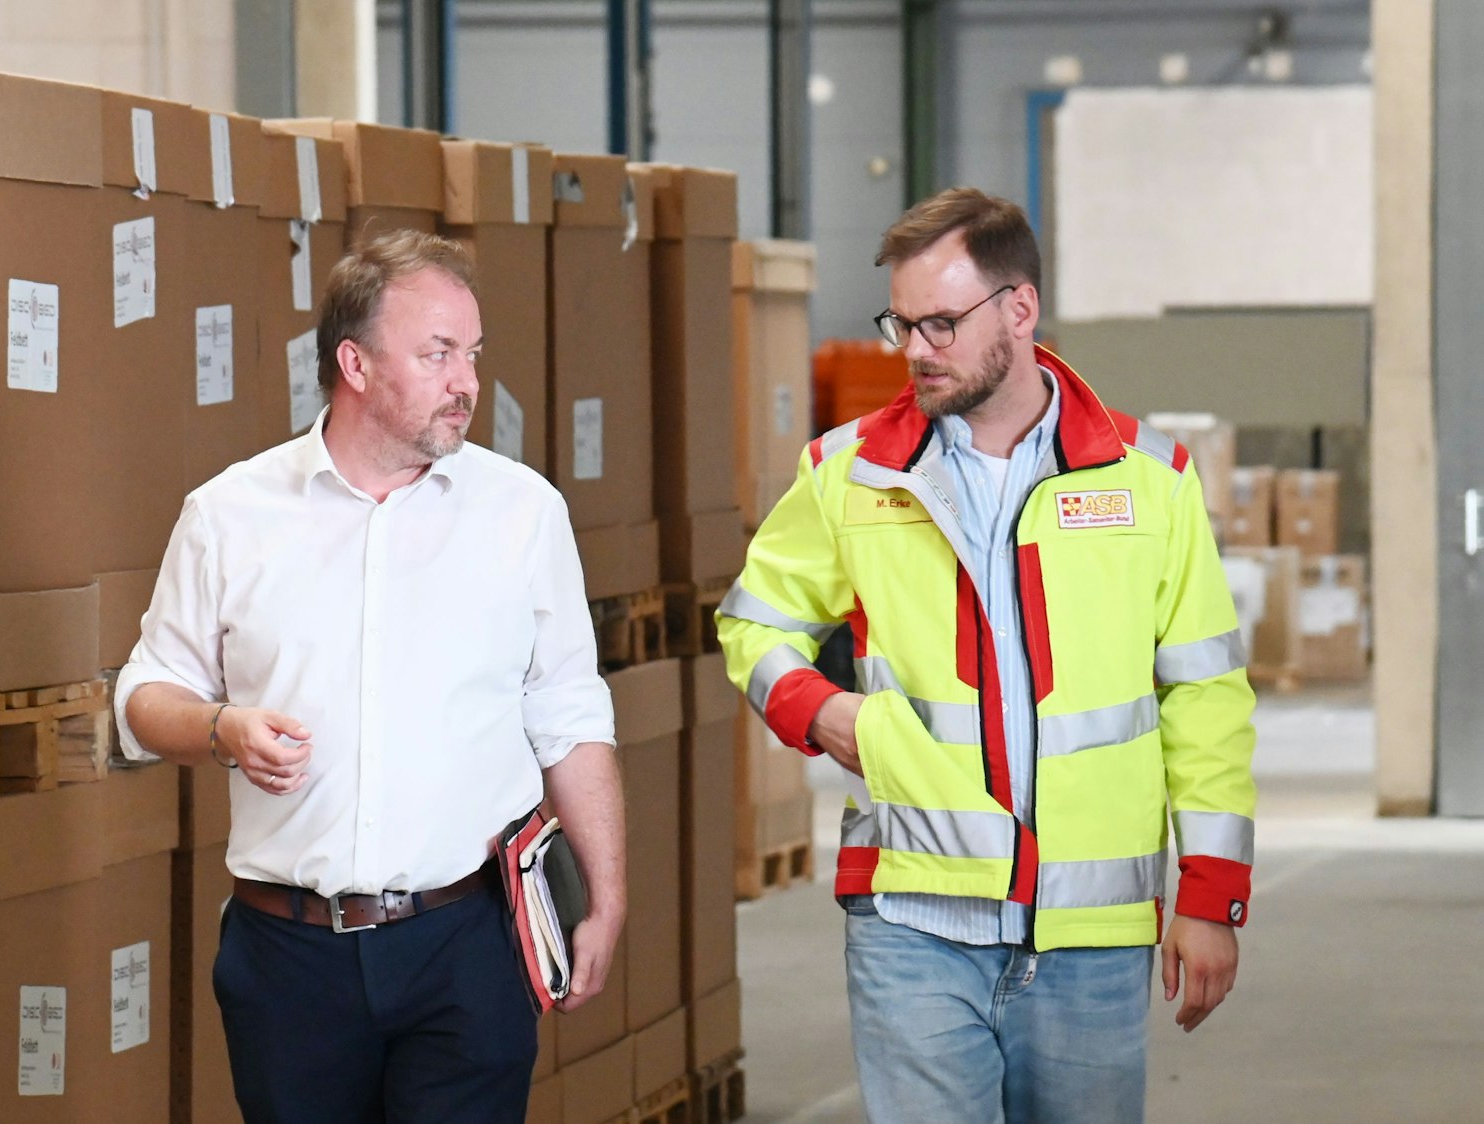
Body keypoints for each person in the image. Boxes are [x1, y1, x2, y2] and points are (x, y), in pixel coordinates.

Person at [717, 188, 1257, 1123]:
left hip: (1091, 934)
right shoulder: (853, 474)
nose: (915, 349)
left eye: (941, 323)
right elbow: (753, 622)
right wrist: (821, 710)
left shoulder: (1149, 482)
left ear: (1019, 308)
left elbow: (1205, 694)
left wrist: (1210, 894)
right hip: (912, 918)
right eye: (902, 324)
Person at [115, 229, 626, 1123]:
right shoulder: (230, 514)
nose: (466, 381)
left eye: (472, 354)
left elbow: (570, 718)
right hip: (289, 956)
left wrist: (607, 896)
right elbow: (144, 697)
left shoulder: (522, 513)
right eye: (438, 354)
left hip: (469, 943)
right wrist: (221, 728)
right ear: (353, 363)